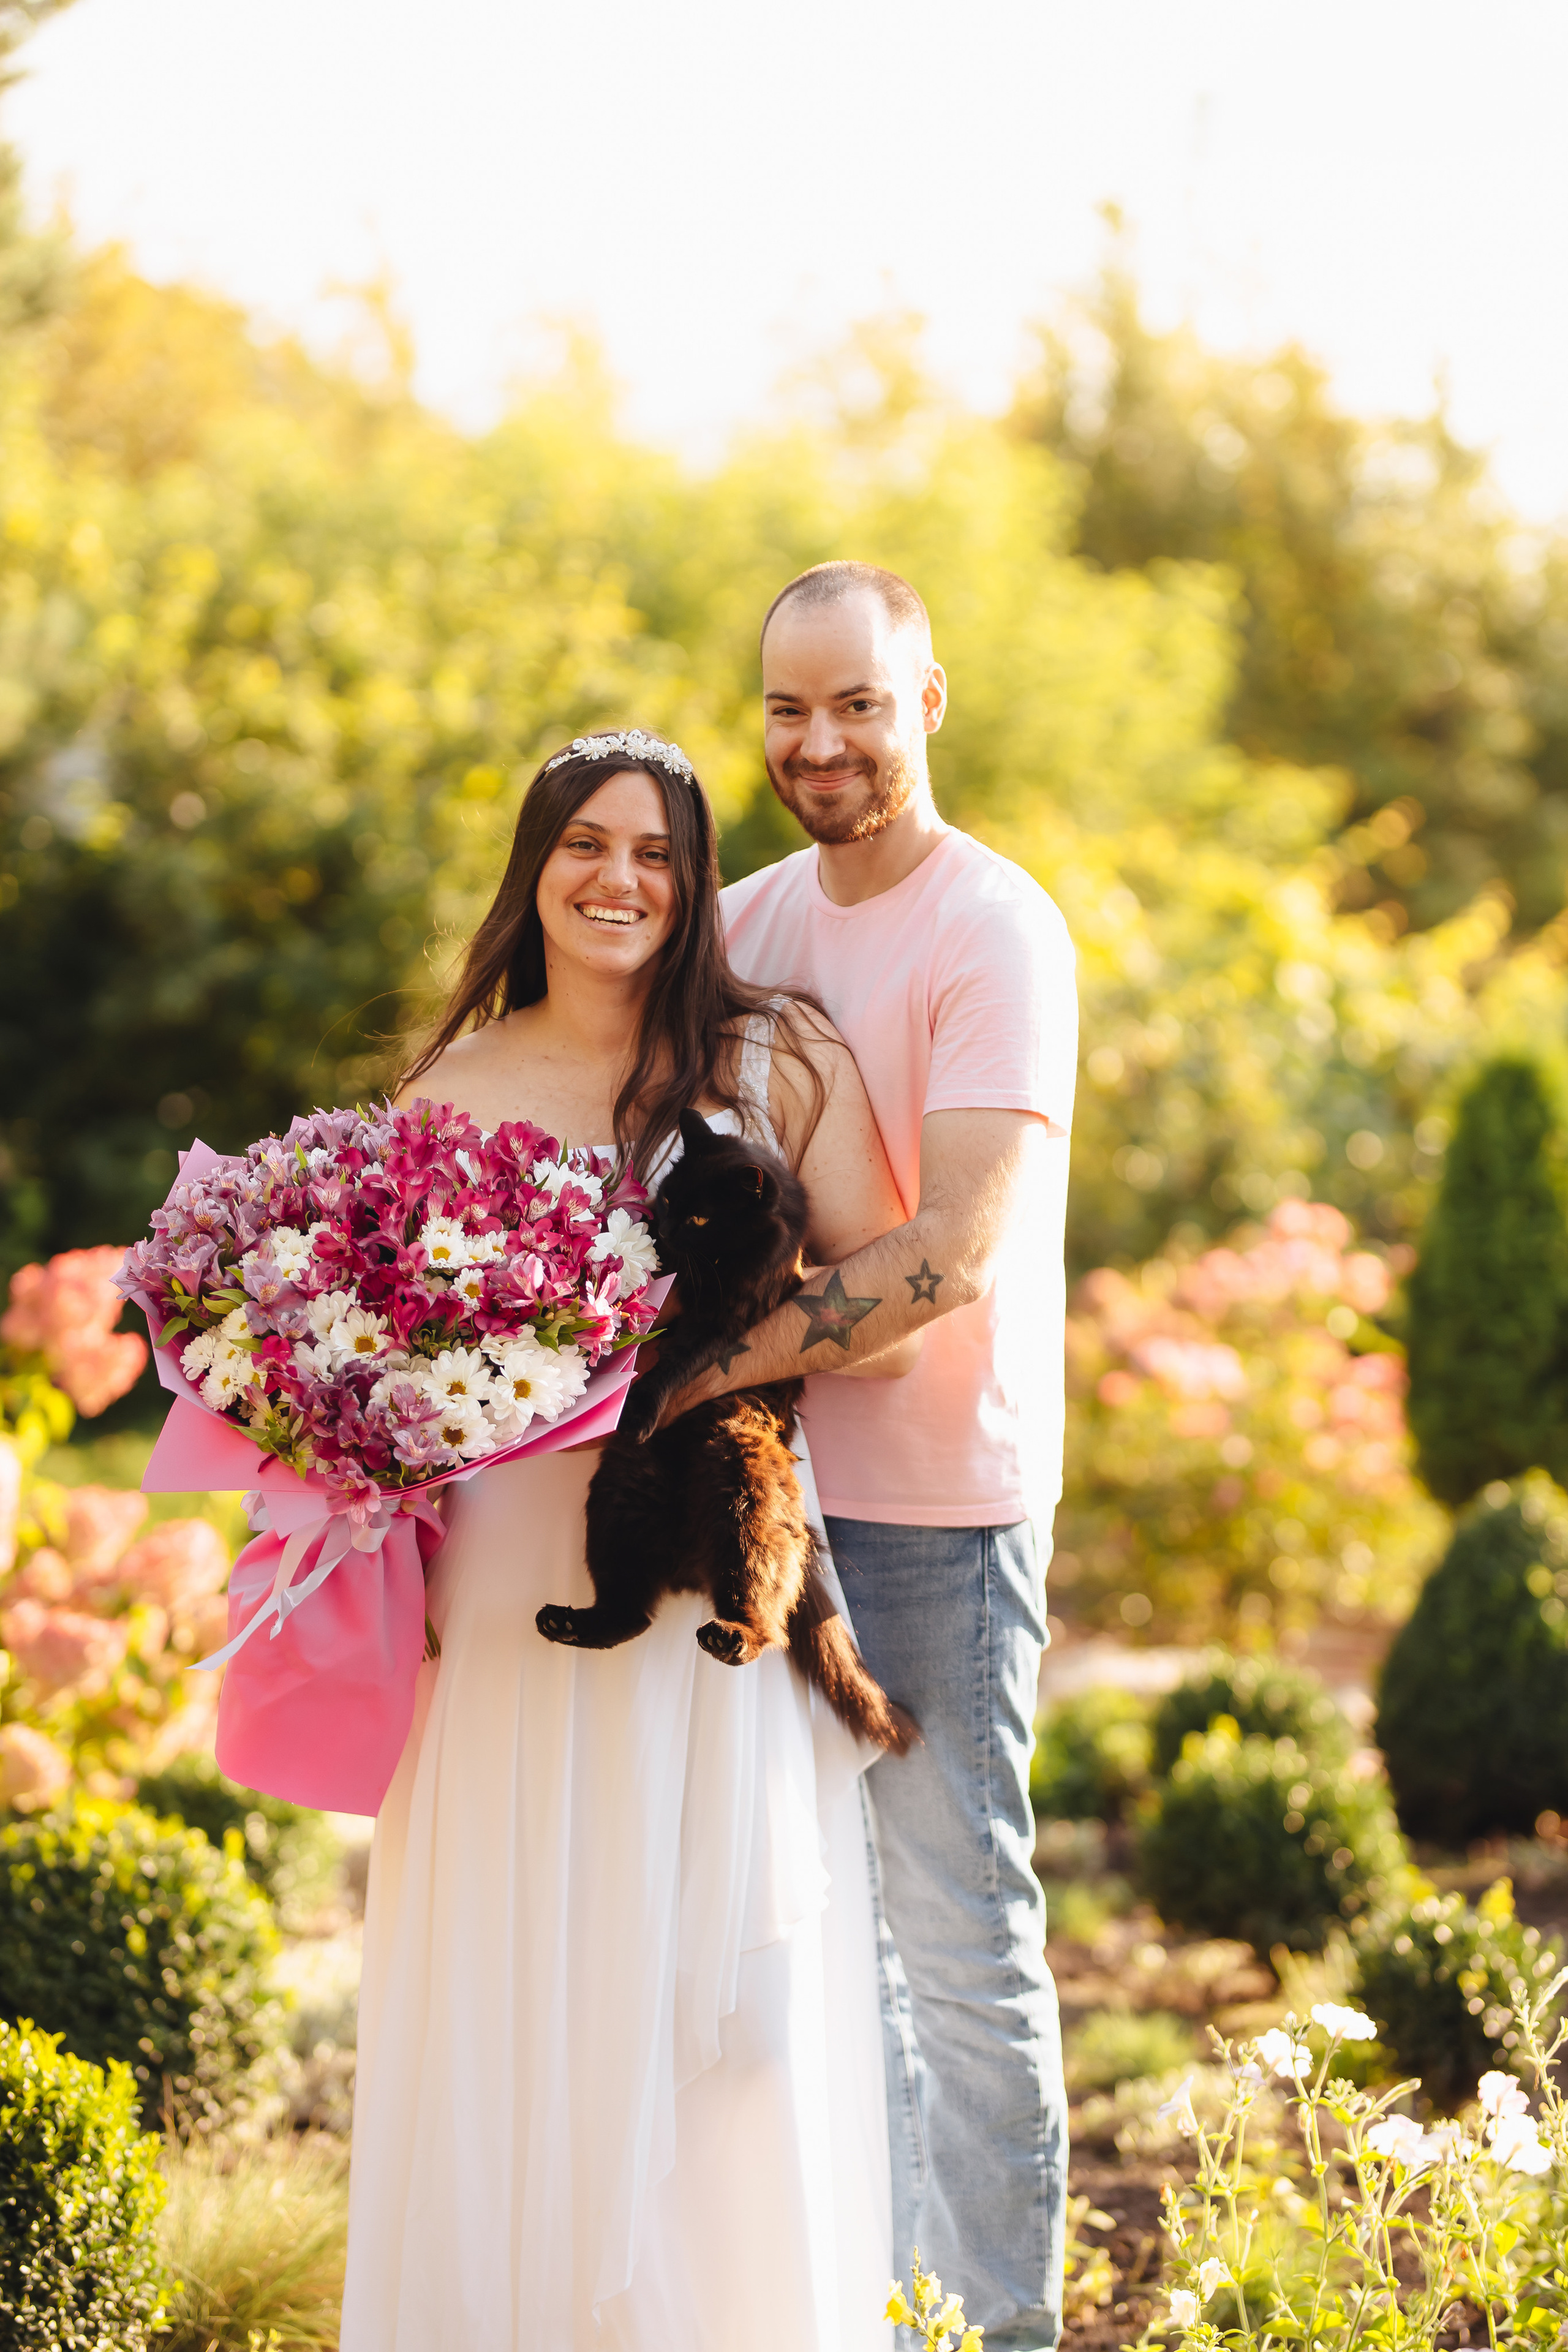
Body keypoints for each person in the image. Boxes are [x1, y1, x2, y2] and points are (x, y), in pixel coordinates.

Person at [339, 729, 919, 2352]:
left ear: (700, 881)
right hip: (499, 1578)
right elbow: (386, 1353)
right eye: (586, 844)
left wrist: (680, 1376)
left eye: (658, 852)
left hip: (696, 1586)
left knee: (705, 1995)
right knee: (511, 1981)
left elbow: (888, 1315)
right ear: (535, 868)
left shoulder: (776, 1060)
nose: (620, 879)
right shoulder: (450, 1086)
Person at [700, 563, 1077, 2350]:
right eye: (789, 706)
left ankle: (993, 2331)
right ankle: (866, 2311)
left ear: (927, 701)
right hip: (765, 1507)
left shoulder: (993, 927)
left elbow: (945, 1267)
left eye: (857, 701)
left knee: (955, 1943)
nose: (820, 738)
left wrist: (696, 1377)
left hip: (936, 1510)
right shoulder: (743, 920)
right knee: (818, 1939)